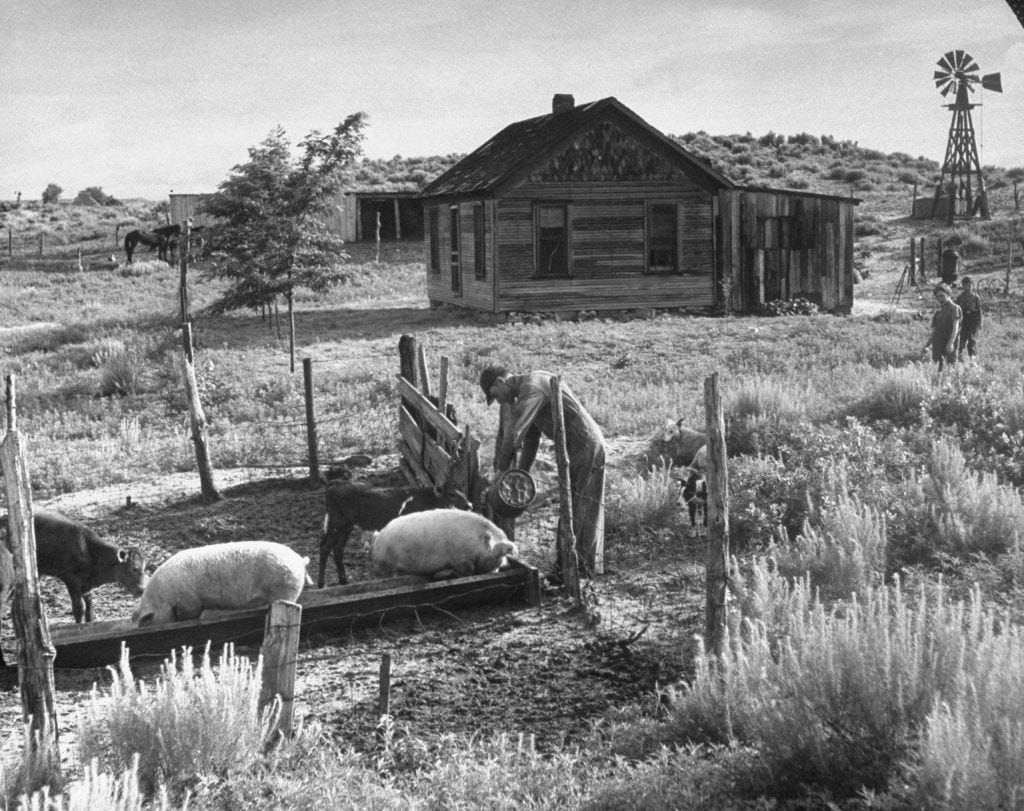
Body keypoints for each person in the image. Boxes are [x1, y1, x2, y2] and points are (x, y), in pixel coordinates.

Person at [479, 365, 605, 578]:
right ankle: (566, 568)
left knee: (583, 507)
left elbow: (515, 434)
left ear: (500, 382)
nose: (498, 401)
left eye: (495, 395)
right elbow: (530, 440)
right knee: (569, 508)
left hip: (587, 447)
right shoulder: (526, 395)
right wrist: (519, 476)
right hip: (573, 451)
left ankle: (583, 572)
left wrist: (501, 472)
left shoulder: (532, 387)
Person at [923, 283, 962, 371]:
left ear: (948, 294)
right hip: (938, 343)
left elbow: (955, 327)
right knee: (938, 368)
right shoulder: (938, 312)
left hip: (949, 342)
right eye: (938, 297)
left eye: (942, 296)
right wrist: (927, 345)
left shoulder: (955, 308)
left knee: (951, 367)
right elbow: (935, 331)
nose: (940, 299)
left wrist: (951, 342)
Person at [955, 276, 983, 360]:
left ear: (972, 285)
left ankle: (972, 357)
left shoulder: (976, 297)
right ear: (963, 286)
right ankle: (959, 355)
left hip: (973, 318)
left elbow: (979, 310)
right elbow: (957, 309)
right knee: (962, 337)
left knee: (972, 338)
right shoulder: (960, 297)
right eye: (965, 285)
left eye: (969, 285)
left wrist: (980, 322)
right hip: (964, 318)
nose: (967, 287)